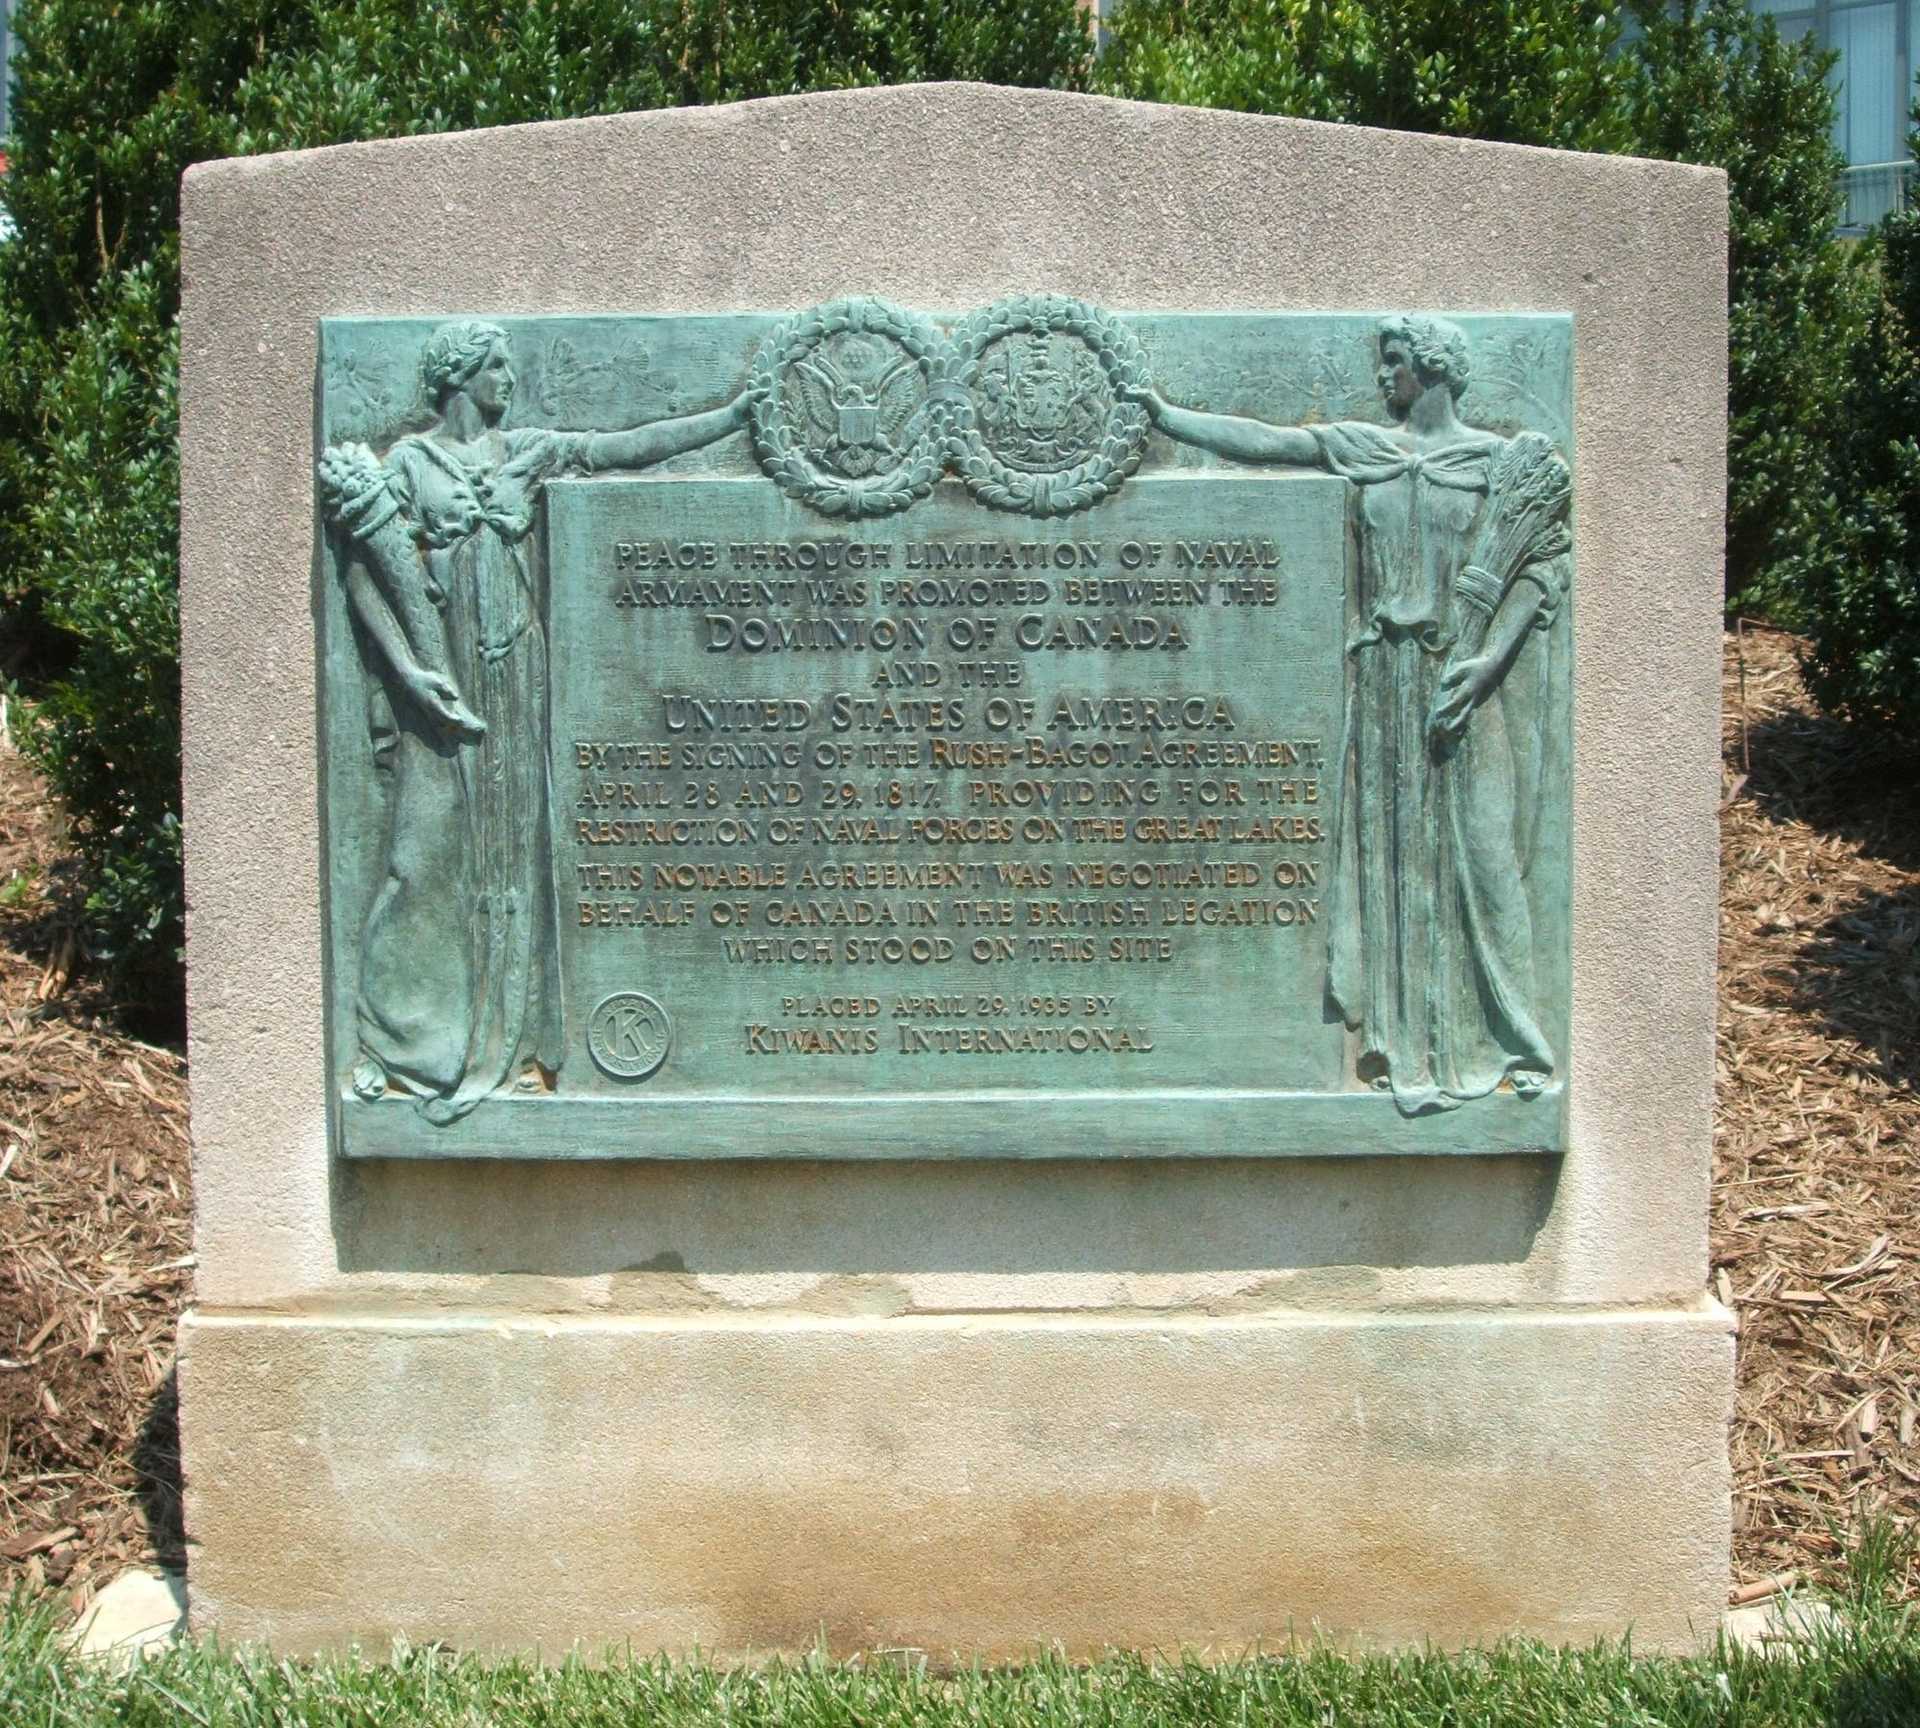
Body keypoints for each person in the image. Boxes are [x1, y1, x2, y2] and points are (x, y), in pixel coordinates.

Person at [1130, 317, 1569, 1114]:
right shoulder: (1366, 449)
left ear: (1433, 369)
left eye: (1394, 363)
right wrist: (1165, 416)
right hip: (1384, 685)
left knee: (1483, 853)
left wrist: (1485, 666)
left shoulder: (1494, 466)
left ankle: (1513, 1040)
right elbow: (1263, 443)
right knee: (1394, 862)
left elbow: (1541, 574)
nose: (1383, 379)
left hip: (1463, 683)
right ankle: (1406, 1049)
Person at [320, 320, 750, 1122]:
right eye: (496, 366)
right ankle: (398, 1043)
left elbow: (630, 447)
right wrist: (411, 674)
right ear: (461, 378)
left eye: (511, 366)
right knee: (424, 852)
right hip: (439, 678)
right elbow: (363, 582)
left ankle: (507, 1052)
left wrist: (730, 419)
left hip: (514, 664)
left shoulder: (530, 450)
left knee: (514, 855)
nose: (509, 379)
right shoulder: (410, 466)